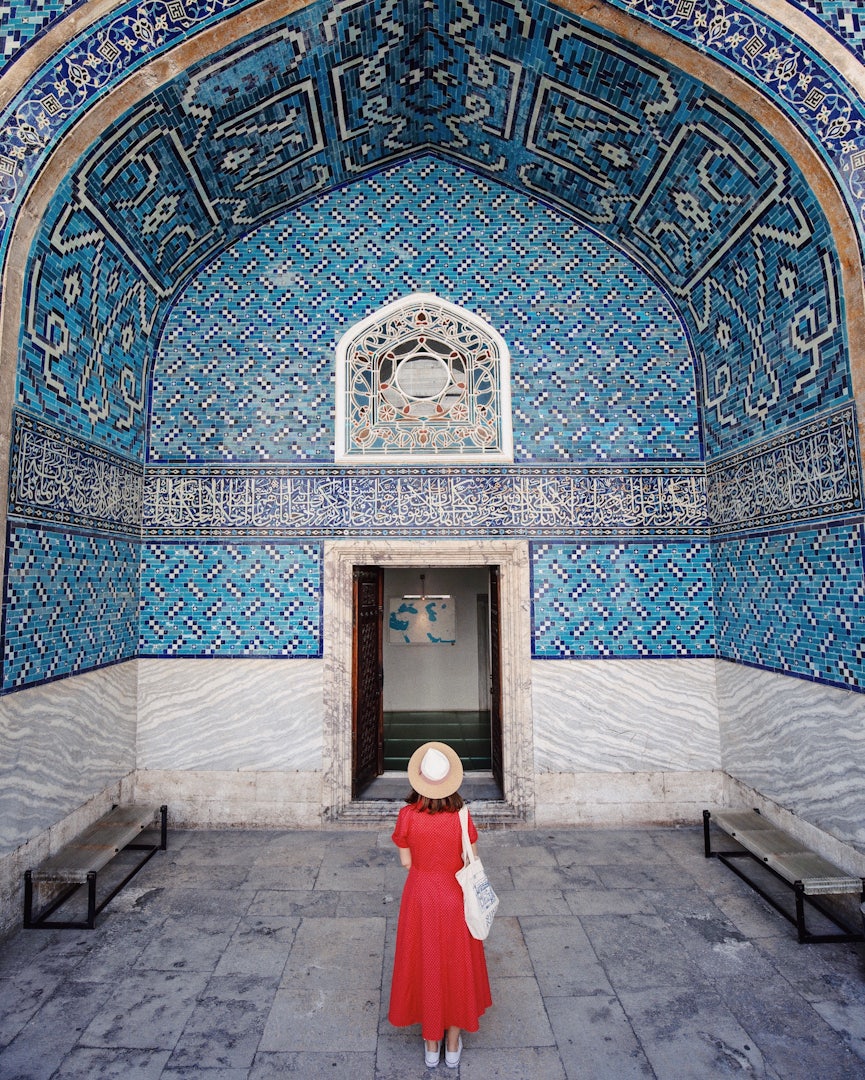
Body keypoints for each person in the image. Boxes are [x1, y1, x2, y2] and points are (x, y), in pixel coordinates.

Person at [388, 741, 493, 1069]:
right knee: (456, 964)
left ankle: (431, 1047)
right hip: (455, 898)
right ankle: (452, 1042)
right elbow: (471, 857)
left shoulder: (407, 816)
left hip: (420, 897)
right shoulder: (462, 816)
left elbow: (406, 862)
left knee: (425, 962)